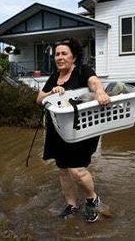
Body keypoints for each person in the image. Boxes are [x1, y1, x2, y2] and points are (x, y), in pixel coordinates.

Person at [36, 38, 110, 223]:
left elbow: (94, 82)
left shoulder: (82, 70)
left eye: (64, 53)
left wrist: (100, 91)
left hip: (80, 127)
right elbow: (39, 99)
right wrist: (51, 92)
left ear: (73, 56)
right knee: (62, 170)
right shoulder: (54, 76)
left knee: (76, 170)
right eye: (57, 54)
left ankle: (92, 199)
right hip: (57, 128)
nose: (59, 57)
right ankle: (72, 205)